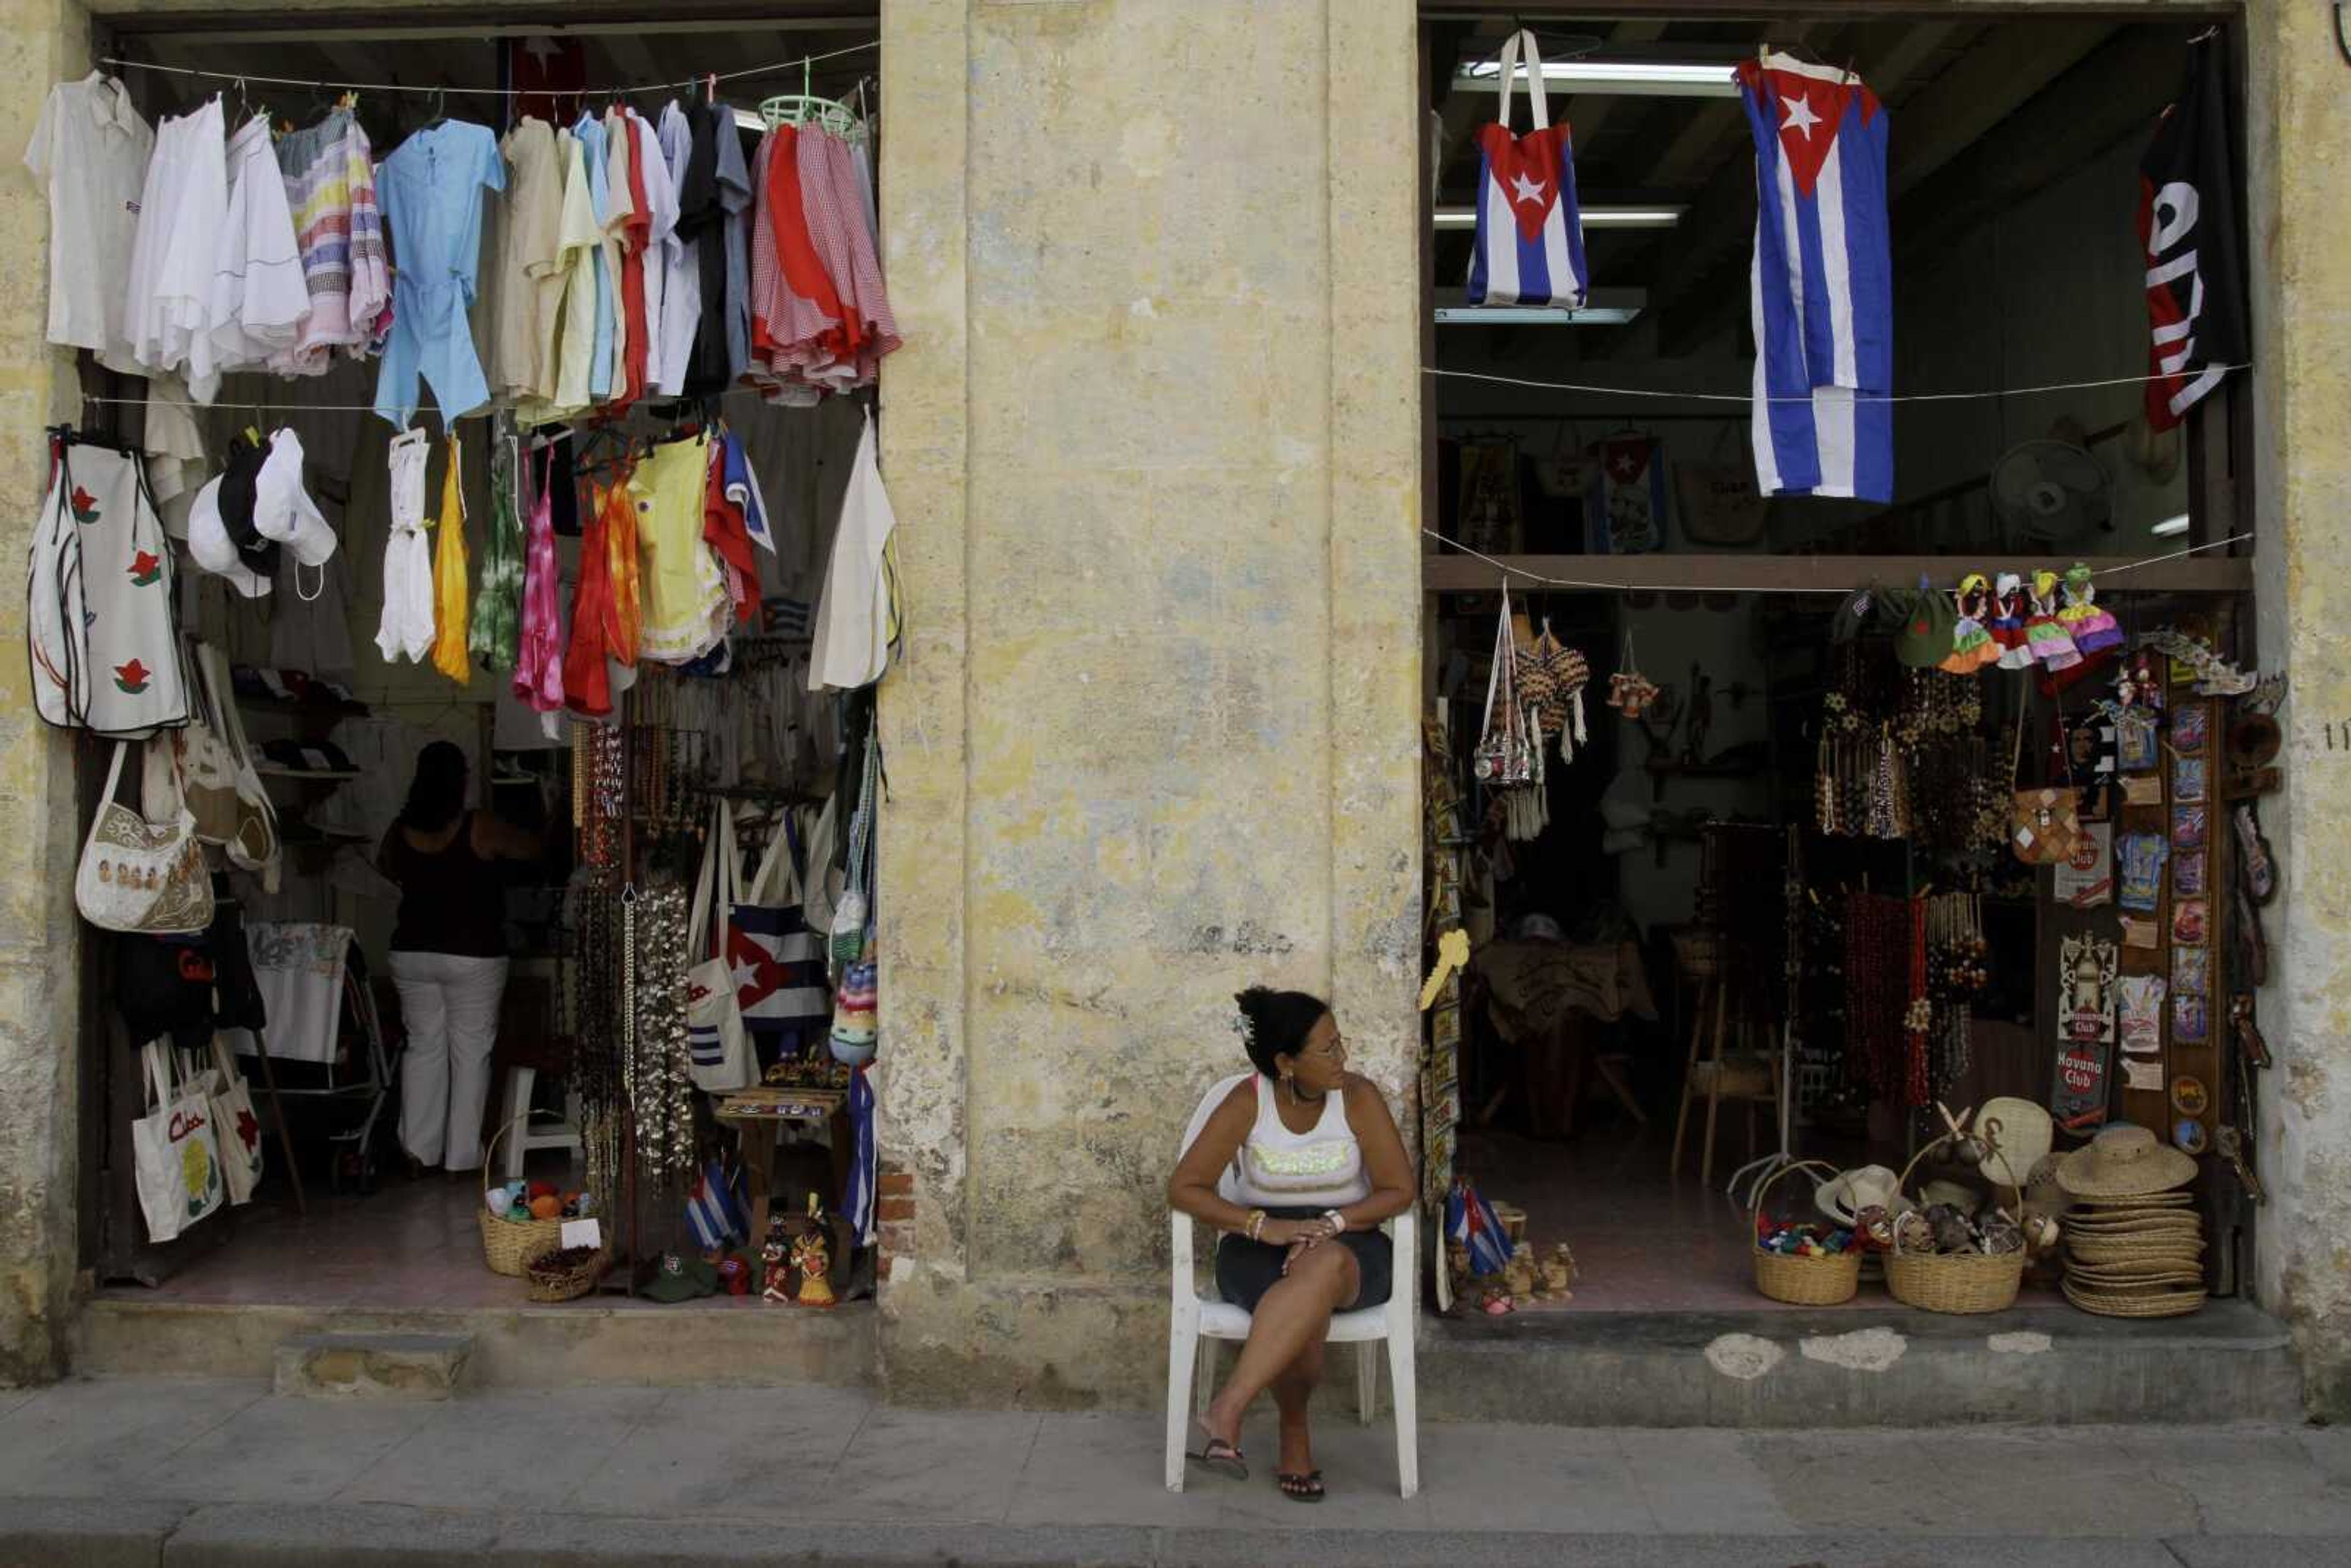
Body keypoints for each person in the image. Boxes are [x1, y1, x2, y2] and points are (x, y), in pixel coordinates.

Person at [1166, 987, 1413, 1502]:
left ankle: (1228, 1409)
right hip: (1259, 1246)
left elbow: (1399, 1189)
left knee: (1319, 1271)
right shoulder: (1247, 1101)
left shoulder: (1359, 1097)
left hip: (1353, 1244)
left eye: (1340, 1043)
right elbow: (1184, 1187)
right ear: (1286, 1063)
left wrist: (1332, 1223)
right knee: (1305, 1296)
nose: (1342, 1058)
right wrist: (1262, 1226)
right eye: (1327, 1050)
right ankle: (1293, 1434)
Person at [378, 741, 542, 1174]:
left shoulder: (399, 829)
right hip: (472, 954)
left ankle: (418, 1151)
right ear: (462, 780)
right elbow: (531, 849)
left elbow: (386, 867)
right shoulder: (478, 826)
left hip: (412, 952)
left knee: (423, 1047)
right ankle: (462, 1157)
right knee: (470, 1051)